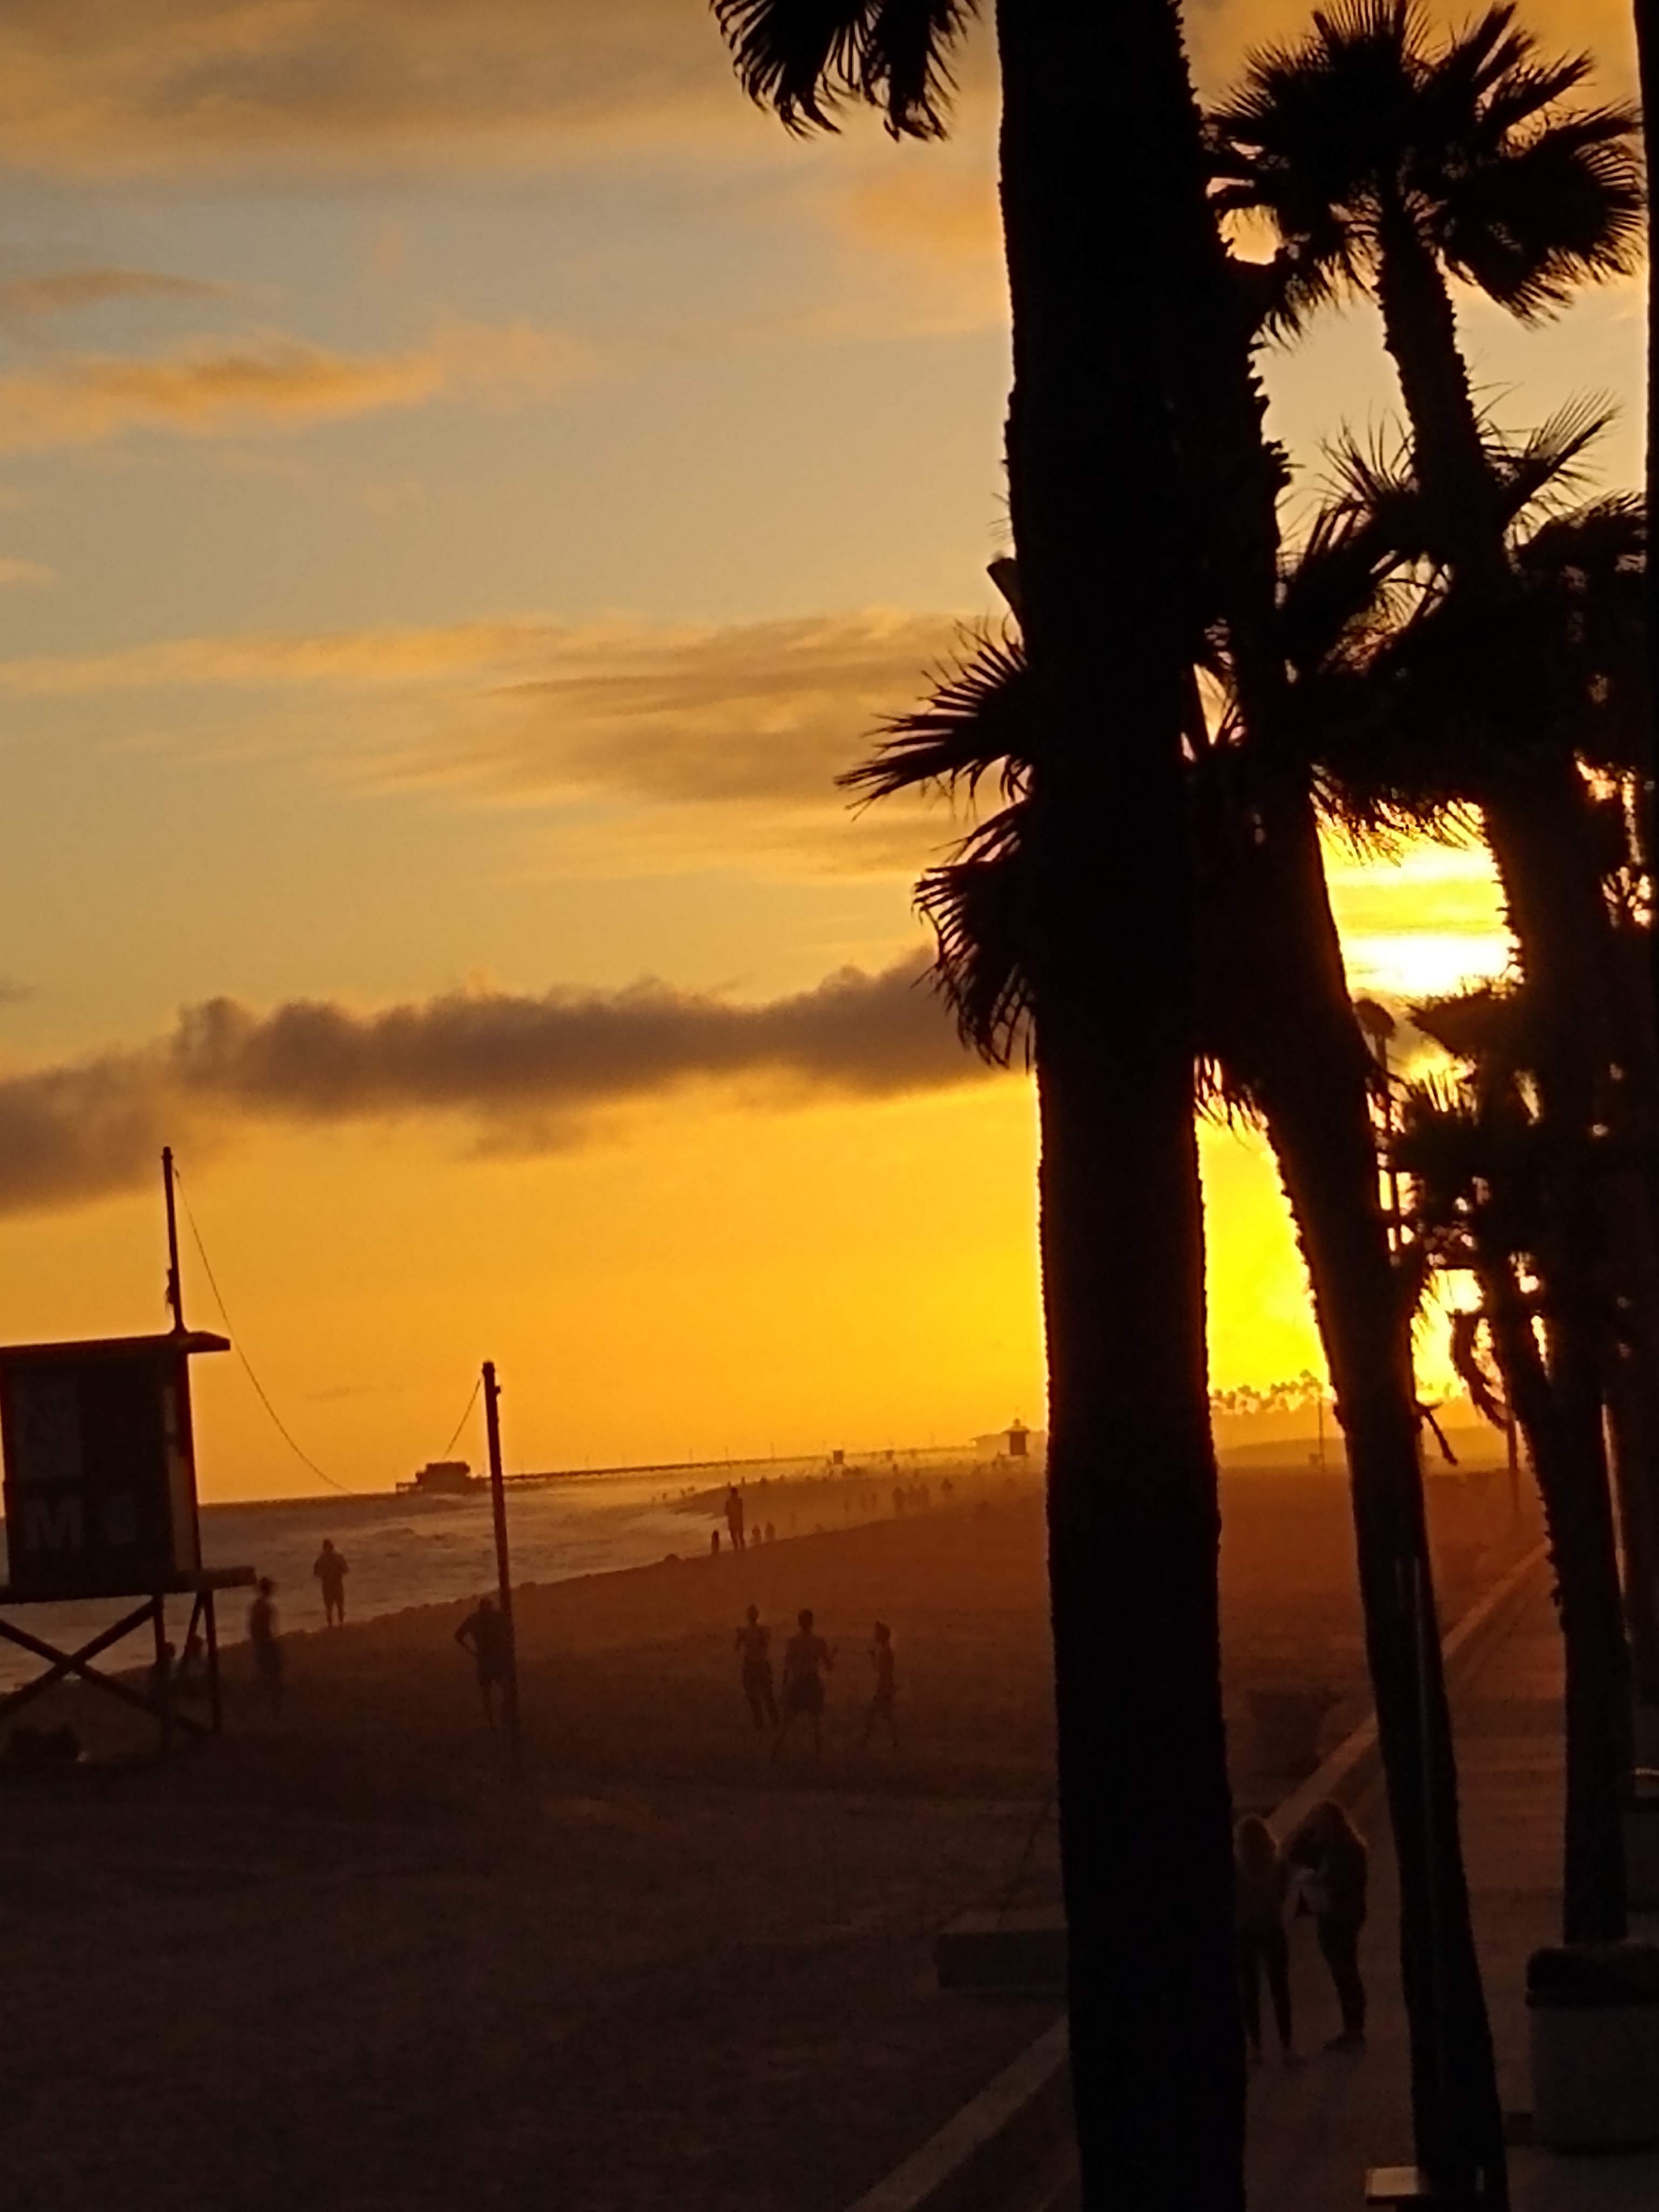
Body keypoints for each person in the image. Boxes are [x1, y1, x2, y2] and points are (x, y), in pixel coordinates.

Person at [1289, 1800, 1368, 2050]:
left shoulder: (1348, 1850)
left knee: (1345, 1973)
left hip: (1341, 1918)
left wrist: (1322, 1881)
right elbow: (1295, 1853)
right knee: (1343, 1972)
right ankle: (1353, 2028)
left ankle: (1354, 2030)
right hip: (1333, 1916)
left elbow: (1344, 1884)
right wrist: (1307, 1829)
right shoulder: (1330, 1845)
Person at [1233, 1815, 1297, 2064]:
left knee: (1249, 1991)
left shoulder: (1236, 1867)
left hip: (1244, 1933)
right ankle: (1287, 2046)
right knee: (1280, 1989)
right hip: (1272, 1929)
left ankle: (1255, 2047)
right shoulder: (1279, 1864)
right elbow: (1283, 1895)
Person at [772, 1608, 835, 1761]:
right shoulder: (819, 1642)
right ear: (811, 1622)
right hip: (811, 1683)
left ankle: (774, 1753)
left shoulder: (793, 1642)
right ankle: (820, 1757)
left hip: (799, 1683)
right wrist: (833, 1654)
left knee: (787, 1723)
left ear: (799, 1623)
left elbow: (787, 1668)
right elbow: (829, 1667)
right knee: (816, 1723)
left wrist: (785, 1687)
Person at [455, 1594, 512, 1727]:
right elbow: (458, 1636)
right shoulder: (495, 1617)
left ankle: (495, 1720)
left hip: (487, 1658)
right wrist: (471, 1651)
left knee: (492, 1691)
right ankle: (496, 1720)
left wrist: (472, 1651)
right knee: (500, 1689)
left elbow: (458, 1636)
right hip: (492, 1658)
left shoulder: (476, 1619)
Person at [735, 1605, 778, 1730]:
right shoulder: (746, 1631)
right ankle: (759, 1722)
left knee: (767, 1694)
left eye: (754, 1614)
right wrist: (739, 1637)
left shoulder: (764, 1630)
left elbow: (765, 1643)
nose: (752, 1616)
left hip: (762, 1664)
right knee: (752, 1695)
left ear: (758, 1615)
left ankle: (774, 1719)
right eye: (750, 1614)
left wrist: (748, 1637)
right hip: (750, 1664)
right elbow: (737, 1648)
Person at [860, 1620, 897, 1749]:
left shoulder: (885, 1653)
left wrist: (872, 1657)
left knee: (873, 1713)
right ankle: (893, 1741)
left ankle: (865, 1739)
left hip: (883, 1688)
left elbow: (881, 1671)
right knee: (885, 1715)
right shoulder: (887, 1651)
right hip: (886, 1687)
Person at [248, 1579, 282, 1715]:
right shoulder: (267, 1607)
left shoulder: (255, 1606)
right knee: (274, 1675)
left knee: (263, 1674)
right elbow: (273, 1628)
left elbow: (252, 1626)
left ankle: (264, 1706)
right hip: (267, 1642)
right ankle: (274, 1706)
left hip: (259, 1642)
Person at [313, 1537, 349, 1628]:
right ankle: (341, 1625)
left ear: (324, 1548)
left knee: (329, 1609)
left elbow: (316, 1573)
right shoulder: (338, 1557)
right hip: (337, 1584)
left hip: (327, 1586)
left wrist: (324, 1574)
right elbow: (346, 1570)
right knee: (340, 1607)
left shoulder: (321, 1559)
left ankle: (330, 1626)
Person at [725, 1484, 746, 1553]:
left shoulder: (729, 1502)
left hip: (734, 1521)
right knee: (739, 1537)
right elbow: (740, 1510)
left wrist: (731, 1514)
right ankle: (741, 1549)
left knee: (736, 1537)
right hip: (737, 1521)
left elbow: (726, 1512)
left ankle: (738, 1549)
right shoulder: (739, 1501)